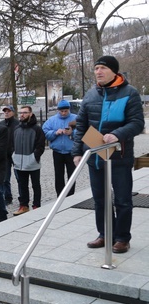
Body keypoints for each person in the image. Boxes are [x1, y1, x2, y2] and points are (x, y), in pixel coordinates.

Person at [73, 55, 144, 254]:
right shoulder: (90, 95)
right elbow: (81, 125)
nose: (98, 72)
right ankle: (105, 234)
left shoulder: (129, 93)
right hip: (95, 158)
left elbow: (137, 123)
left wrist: (117, 134)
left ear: (114, 71)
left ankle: (122, 238)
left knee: (122, 200)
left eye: (102, 68)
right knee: (100, 200)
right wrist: (77, 151)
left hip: (119, 158)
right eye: (96, 68)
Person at [12, 106, 45, 215]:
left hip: (32, 163)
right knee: (22, 185)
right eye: (21, 112)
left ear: (30, 113)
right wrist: (13, 156)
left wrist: (34, 157)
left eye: (25, 112)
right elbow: (12, 144)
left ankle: (36, 205)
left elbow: (40, 146)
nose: (22, 114)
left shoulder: (37, 129)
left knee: (35, 185)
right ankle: (24, 205)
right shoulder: (17, 129)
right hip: (18, 163)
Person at [43, 100, 78, 197]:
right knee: (58, 175)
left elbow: (82, 133)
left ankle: (71, 195)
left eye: (65, 111)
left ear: (69, 110)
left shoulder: (76, 118)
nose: (63, 113)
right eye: (61, 111)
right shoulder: (51, 120)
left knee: (72, 175)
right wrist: (55, 133)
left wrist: (72, 133)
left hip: (71, 151)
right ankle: (60, 195)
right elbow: (45, 133)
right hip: (57, 152)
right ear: (58, 110)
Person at [0, 105, 19, 204]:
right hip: (4, 155)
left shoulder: (18, 124)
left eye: (9, 111)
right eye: (5, 111)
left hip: (16, 154)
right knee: (5, 178)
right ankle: (7, 197)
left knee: (19, 177)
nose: (6, 113)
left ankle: (22, 197)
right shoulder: (0, 125)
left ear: (13, 112)